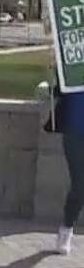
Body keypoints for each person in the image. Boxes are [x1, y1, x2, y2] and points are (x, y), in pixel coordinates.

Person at [45, 79, 84, 254]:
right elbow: (58, 89)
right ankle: (66, 228)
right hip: (75, 130)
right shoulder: (74, 58)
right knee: (80, 183)